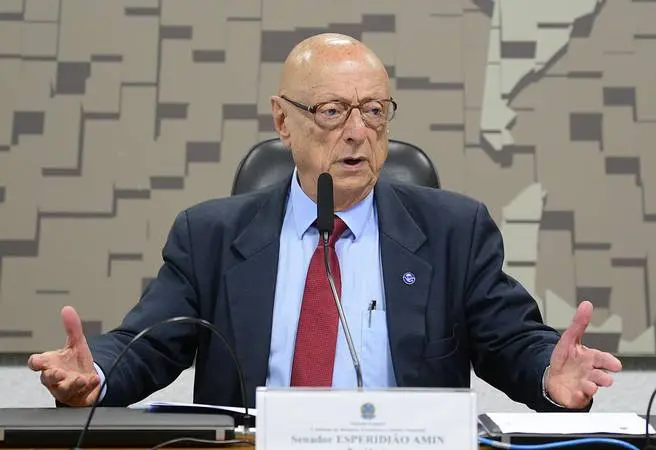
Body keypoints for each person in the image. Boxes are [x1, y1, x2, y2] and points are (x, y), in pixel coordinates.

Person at [27, 33, 621, 411]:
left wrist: (549, 373)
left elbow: (510, 338)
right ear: (283, 122)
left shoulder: (453, 232)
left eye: (375, 111)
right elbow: (147, 343)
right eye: (333, 111)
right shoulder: (210, 236)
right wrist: (94, 373)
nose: (358, 132)